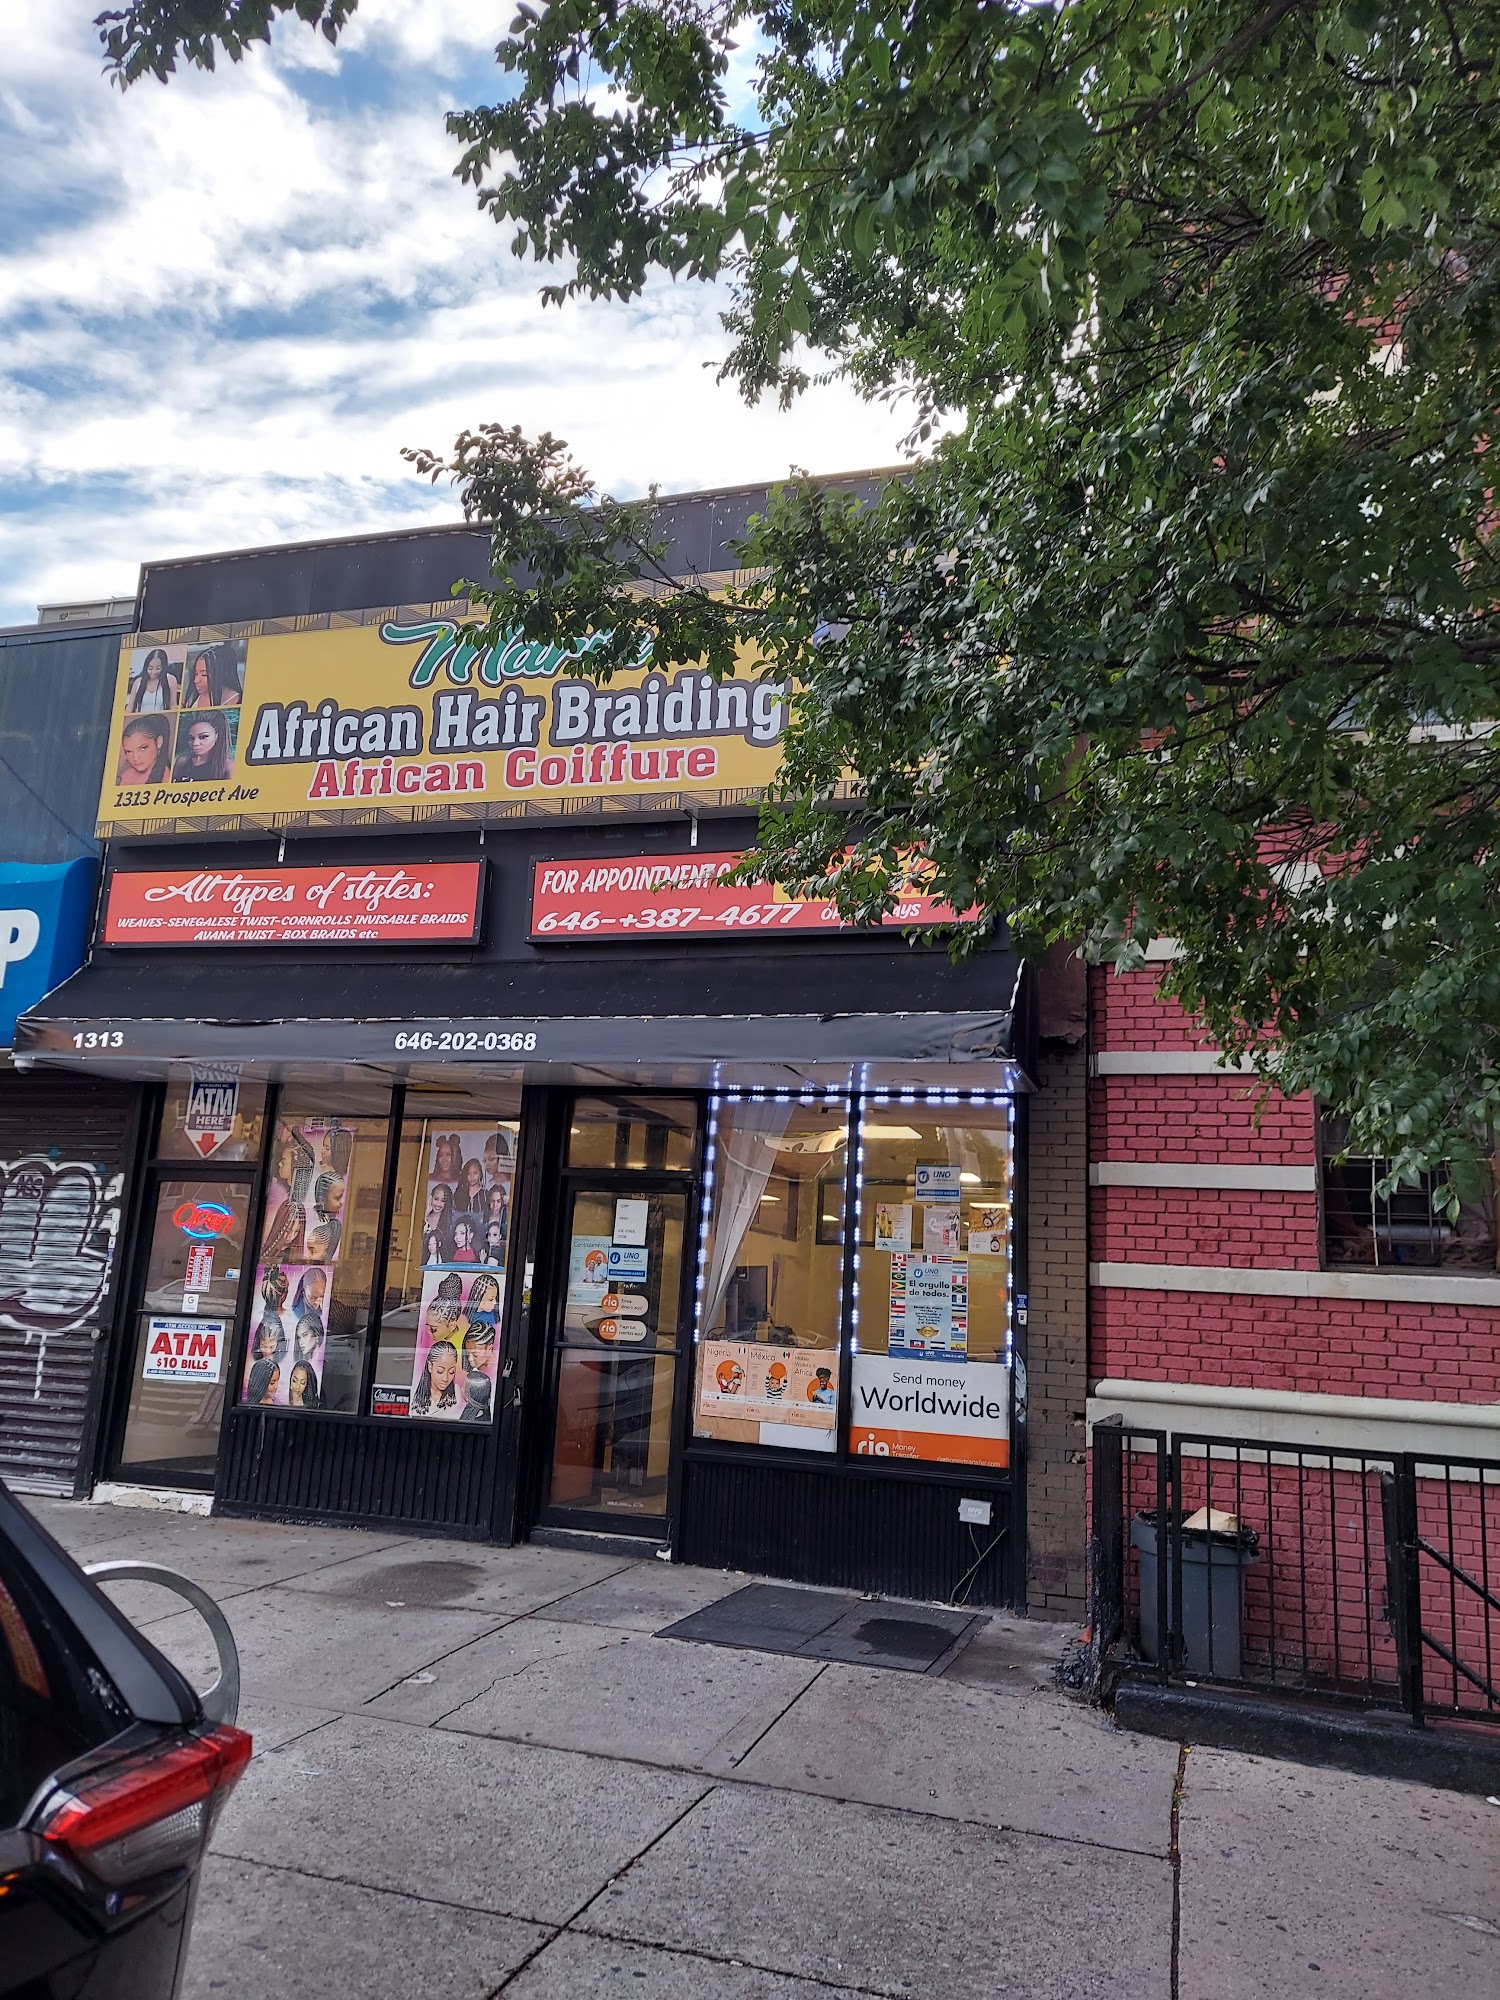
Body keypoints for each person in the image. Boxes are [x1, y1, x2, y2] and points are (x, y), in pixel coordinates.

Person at [172, 711, 233, 783]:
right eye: (191, 738)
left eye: (203, 737)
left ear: (217, 736)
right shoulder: (182, 762)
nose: (195, 743)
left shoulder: (228, 766)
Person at [411, 1337, 460, 1417]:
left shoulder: (458, 1394)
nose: (445, 1378)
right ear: (430, 1366)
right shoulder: (414, 1393)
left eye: (451, 1372)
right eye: (440, 1371)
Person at [116, 716, 170, 785]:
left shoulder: (167, 778)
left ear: (159, 742)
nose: (135, 758)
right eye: (128, 752)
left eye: (143, 748)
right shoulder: (127, 774)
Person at [127, 648, 178, 713]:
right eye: (150, 668)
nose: (154, 672)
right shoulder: (138, 682)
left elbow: (173, 706)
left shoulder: (171, 680)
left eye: (158, 668)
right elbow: (130, 708)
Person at [455, 1156, 486, 1225]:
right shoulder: (460, 1194)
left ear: (480, 1174)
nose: (472, 1176)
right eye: (469, 1173)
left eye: (475, 1173)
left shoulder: (486, 1194)